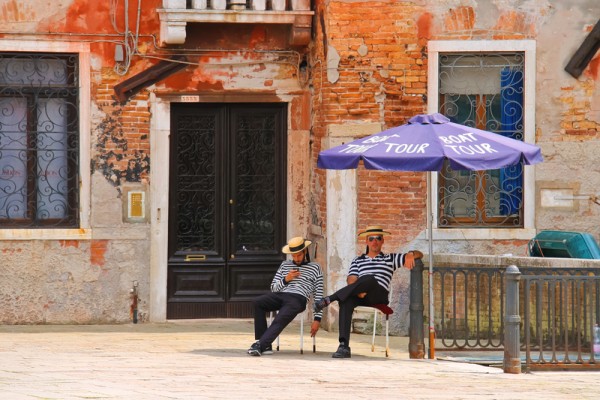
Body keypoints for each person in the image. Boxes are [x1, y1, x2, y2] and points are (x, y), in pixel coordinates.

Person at [314, 225, 423, 358]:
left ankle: (329, 299)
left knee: (369, 278)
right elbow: (351, 280)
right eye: (371, 239)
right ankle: (343, 346)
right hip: (360, 294)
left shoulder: (390, 258)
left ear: (382, 241)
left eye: (378, 238)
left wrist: (411, 254)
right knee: (346, 301)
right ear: (366, 241)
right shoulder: (357, 260)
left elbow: (419, 254)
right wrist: (358, 291)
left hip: (379, 295)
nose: (374, 241)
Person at [247, 236, 324, 356]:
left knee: (280, 317)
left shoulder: (315, 268)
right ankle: (264, 344)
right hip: (281, 295)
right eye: (293, 255)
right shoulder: (285, 265)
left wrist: (317, 319)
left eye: (299, 255)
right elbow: (273, 288)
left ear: (305, 252)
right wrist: (286, 279)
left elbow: (318, 294)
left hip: (298, 298)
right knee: (258, 302)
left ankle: (260, 345)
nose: (296, 258)